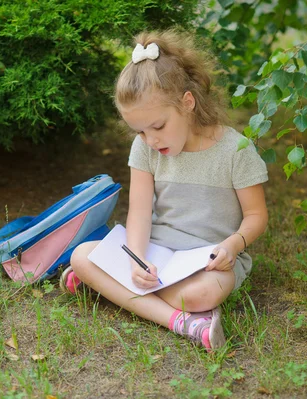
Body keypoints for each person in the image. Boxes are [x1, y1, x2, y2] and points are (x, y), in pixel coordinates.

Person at [59, 29, 269, 351]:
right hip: (157, 255)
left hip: (209, 260)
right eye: (139, 132)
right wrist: (137, 261)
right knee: (82, 256)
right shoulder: (144, 148)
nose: (151, 140)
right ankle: (184, 323)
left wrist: (231, 245)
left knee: (201, 294)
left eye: (157, 127)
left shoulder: (236, 150)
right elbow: (140, 212)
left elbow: (256, 216)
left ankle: (108, 288)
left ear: (187, 103)